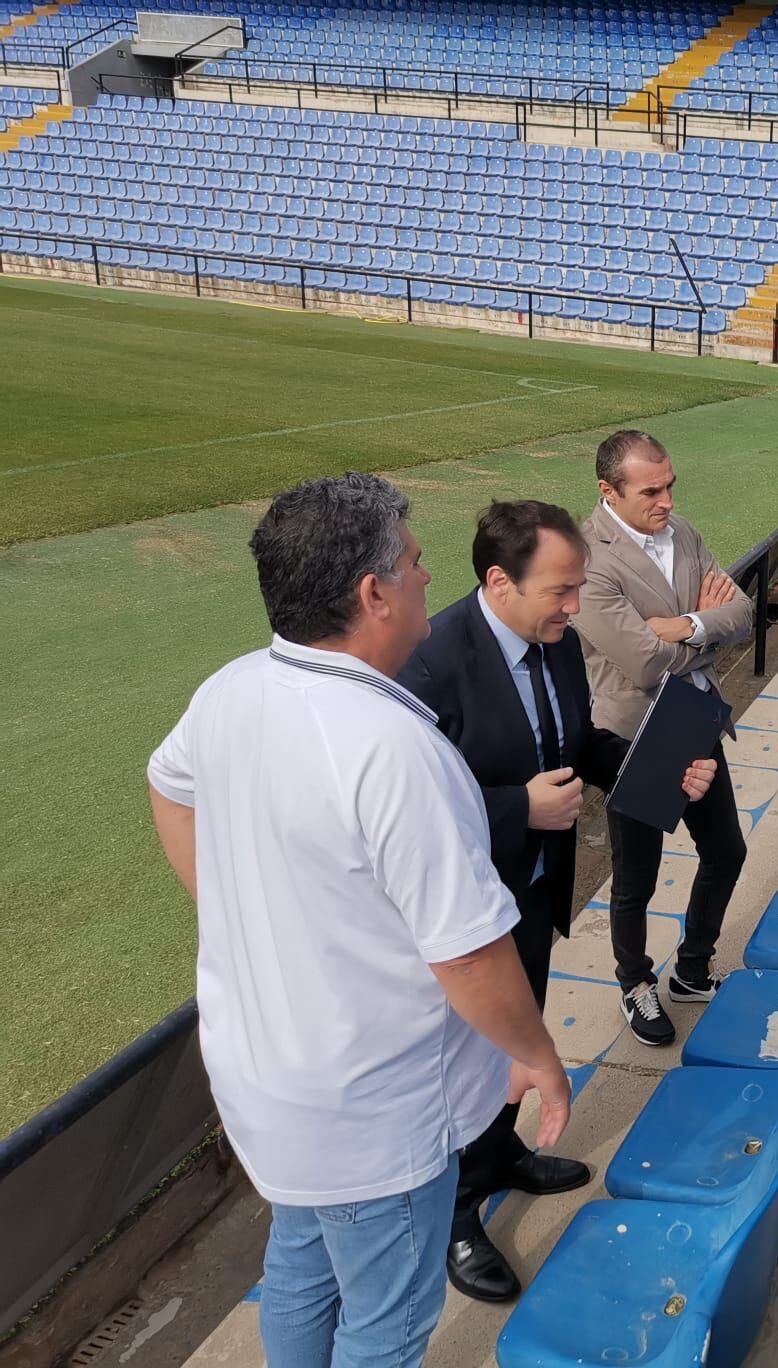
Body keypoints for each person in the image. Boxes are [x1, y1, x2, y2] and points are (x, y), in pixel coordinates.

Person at [145, 473, 571, 1366]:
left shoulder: (230, 688)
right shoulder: (394, 748)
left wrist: (231, 912)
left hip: (272, 1085)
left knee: (302, 1270)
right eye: (414, 564)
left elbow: (168, 785)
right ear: (373, 594)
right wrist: (535, 1054)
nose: (427, 578)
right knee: (386, 1322)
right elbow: (472, 959)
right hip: (371, 1112)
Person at [398, 500, 715, 1303]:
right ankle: (457, 1214)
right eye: (561, 590)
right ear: (500, 581)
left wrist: (659, 767)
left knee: (517, 1036)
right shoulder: (430, 662)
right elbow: (403, 807)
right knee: (464, 1061)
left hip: (532, 895)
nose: (575, 608)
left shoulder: (557, 643)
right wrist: (515, 809)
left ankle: (503, 1154)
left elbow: (577, 745)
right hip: (462, 916)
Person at [574, 430, 753, 1047]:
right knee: (636, 878)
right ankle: (634, 982)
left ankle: (694, 968)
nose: (666, 500)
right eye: (651, 490)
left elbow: (743, 615)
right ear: (608, 491)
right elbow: (641, 664)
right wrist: (705, 632)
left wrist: (684, 624)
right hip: (632, 735)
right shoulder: (587, 558)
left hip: (695, 720)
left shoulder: (686, 534)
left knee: (726, 851)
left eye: (670, 484)